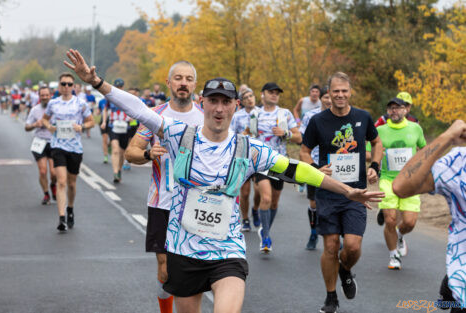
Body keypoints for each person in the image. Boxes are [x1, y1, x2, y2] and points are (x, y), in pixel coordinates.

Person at [65, 48, 384, 313]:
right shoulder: (178, 135)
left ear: (235, 106)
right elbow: (137, 108)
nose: (219, 109)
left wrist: (347, 190)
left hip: (227, 251)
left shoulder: (248, 148)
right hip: (183, 249)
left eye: (225, 102)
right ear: (203, 103)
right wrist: (96, 82)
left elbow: (296, 170)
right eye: (213, 101)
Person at [125, 60, 204, 313]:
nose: (183, 83)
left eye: (188, 79)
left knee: (195, 266)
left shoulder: (205, 117)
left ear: (194, 84)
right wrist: (148, 154)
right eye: (178, 78)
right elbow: (130, 152)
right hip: (163, 202)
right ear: (169, 83)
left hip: (196, 201)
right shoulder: (155, 115)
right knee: (165, 268)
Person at [300, 72, 383, 313]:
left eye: (344, 91)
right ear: (329, 93)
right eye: (335, 91)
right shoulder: (318, 121)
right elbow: (304, 151)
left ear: (350, 92)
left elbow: (377, 143)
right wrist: (315, 169)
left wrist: (375, 166)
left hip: (356, 193)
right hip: (327, 193)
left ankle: (345, 269)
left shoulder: (363, 117)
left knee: (353, 247)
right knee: (330, 247)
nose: (340, 95)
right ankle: (330, 296)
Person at [392, 120, 466, 313]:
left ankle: (449, 281)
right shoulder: (459, 162)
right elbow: (401, 186)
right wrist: (446, 138)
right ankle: (452, 281)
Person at [367, 97, 426, 270]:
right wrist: (378, 155)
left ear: (405, 110)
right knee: (390, 220)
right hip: (387, 179)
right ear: (387, 111)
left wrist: (421, 164)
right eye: (391, 108)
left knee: (409, 222)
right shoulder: (380, 130)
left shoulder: (415, 128)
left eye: (398, 108)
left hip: (410, 181)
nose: (394, 111)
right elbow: (368, 153)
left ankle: (399, 236)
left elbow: (425, 149)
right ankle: (394, 256)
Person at [42, 72, 95, 231]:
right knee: (61, 182)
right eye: (63, 84)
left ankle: (70, 208)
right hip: (58, 145)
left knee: (72, 183)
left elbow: (91, 122)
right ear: (59, 86)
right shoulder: (53, 103)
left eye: (69, 84)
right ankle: (61, 217)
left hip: (75, 148)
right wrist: (49, 126)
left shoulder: (80, 103)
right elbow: (45, 118)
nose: (66, 87)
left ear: (73, 86)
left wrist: (82, 127)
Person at [253, 82, 302, 253]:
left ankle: (265, 228)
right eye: (270, 92)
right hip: (260, 162)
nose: (274, 95)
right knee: (265, 198)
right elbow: (245, 132)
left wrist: (286, 133)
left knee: (274, 202)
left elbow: (298, 137)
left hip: (280, 162)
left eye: (277, 93)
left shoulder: (285, 113)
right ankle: (266, 236)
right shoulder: (255, 113)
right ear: (262, 94)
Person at [298, 85, 332, 250]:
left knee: (336, 201)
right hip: (315, 163)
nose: (329, 100)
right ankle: (313, 232)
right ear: (321, 98)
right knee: (314, 203)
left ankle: (335, 234)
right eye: (325, 97)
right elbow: (303, 140)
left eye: (331, 96)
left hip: (336, 165)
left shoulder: (343, 116)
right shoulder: (311, 116)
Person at [230, 87, 261, 231]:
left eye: (251, 96)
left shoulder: (261, 113)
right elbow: (231, 137)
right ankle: (245, 219)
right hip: (243, 157)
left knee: (259, 190)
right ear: (241, 101)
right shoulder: (237, 116)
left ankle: (255, 209)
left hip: (259, 157)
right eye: (246, 97)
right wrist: (244, 133)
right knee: (245, 192)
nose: (250, 99)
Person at [25, 86, 57, 204]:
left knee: (54, 173)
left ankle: (53, 185)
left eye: (46, 95)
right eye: (42, 95)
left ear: (50, 96)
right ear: (39, 96)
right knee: (43, 171)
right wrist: (35, 124)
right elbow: (26, 127)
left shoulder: (56, 109)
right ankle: (46, 194)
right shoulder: (34, 110)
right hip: (39, 142)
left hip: (53, 142)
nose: (44, 97)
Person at [101, 78, 129, 182]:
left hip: (125, 127)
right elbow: (105, 109)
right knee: (115, 149)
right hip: (113, 126)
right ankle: (115, 172)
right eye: (117, 87)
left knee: (122, 152)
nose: (119, 89)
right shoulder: (109, 97)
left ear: (123, 87)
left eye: (120, 87)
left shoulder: (127, 97)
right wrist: (104, 121)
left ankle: (119, 169)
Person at [97, 95, 110, 164]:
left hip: (112, 121)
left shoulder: (113, 100)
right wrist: (98, 112)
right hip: (103, 121)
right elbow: (98, 110)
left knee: (111, 140)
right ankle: (105, 156)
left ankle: (110, 145)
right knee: (105, 139)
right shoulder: (101, 101)